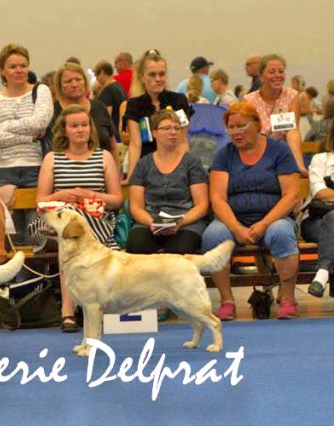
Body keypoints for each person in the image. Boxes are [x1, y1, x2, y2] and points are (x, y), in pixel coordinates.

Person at [201, 102, 300, 321]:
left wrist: (264, 224)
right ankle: (227, 301)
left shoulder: (279, 150)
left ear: (257, 124)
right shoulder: (223, 155)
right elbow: (217, 199)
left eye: (241, 126)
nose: (235, 132)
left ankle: (288, 299)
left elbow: (291, 195)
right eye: (231, 127)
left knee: (282, 232)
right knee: (212, 235)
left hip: (274, 218)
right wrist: (236, 228)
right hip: (234, 220)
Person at [33, 104, 122, 331]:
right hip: (57, 219)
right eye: (74, 126)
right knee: (68, 232)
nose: (80, 129)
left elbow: (116, 200)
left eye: (84, 125)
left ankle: (77, 310)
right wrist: (61, 196)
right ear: (64, 131)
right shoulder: (52, 158)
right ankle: (69, 309)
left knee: (75, 230)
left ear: (91, 128)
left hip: (95, 221)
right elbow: (41, 202)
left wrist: (90, 195)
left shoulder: (104, 157)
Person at [0, 43, 53, 245]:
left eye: (23, 65)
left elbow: (40, 123)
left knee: (36, 235)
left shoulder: (41, 91)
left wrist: (4, 126)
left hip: (35, 168)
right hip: (1, 171)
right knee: (9, 237)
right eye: (13, 67)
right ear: (2, 71)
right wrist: (28, 137)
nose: (19, 70)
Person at [126, 109, 209, 254]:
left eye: (177, 128)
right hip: (151, 220)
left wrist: (179, 223)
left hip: (186, 221)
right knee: (136, 245)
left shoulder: (192, 162)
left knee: (179, 249)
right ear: (154, 133)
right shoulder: (143, 164)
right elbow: (136, 206)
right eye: (167, 128)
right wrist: (152, 223)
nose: (173, 132)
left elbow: (202, 205)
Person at [124, 49, 193, 179]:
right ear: (142, 77)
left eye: (162, 74)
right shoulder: (134, 105)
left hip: (174, 165)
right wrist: (131, 177)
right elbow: (135, 145)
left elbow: (182, 141)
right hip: (146, 167)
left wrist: (184, 172)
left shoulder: (179, 101)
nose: (158, 79)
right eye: (152, 75)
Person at [302, 113, 334, 316]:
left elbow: (327, 194)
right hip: (317, 221)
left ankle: (322, 273)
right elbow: (319, 192)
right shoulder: (320, 159)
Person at [244, 54, 307, 176]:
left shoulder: (292, 96)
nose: (278, 75)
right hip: (258, 154)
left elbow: (293, 131)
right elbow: (249, 136)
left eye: (281, 71)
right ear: (261, 77)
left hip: (284, 154)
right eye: (272, 72)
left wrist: (299, 165)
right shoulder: (249, 101)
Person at [51, 62, 118, 168]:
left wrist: (116, 172)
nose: (74, 84)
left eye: (78, 79)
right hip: (63, 173)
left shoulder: (100, 107)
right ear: (59, 85)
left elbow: (113, 146)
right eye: (68, 81)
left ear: (85, 82)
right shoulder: (51, 111)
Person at [94, 60, 127, 141]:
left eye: (96, 75)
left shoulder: (107, 91)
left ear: (102, 73)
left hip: (113, 135)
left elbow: (106, 116)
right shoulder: (119, 87)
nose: (96, 79)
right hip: (122, 130)